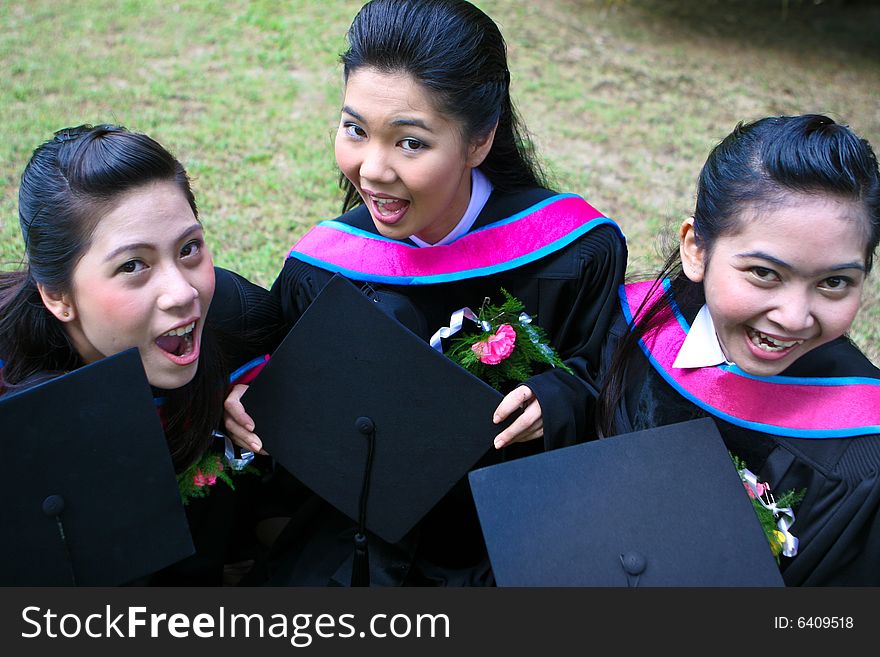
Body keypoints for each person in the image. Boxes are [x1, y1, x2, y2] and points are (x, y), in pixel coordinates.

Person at [225, 0, 627, 586]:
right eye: (355, 130)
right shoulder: (327, 265)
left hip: (505, 542)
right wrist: (244, 396)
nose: (372, 169)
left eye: (410, 143)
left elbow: (610, 380)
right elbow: (282, 384)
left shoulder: (573, 251)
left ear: (480, 139)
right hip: (355, 541)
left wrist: (559, 400)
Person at [596, 114, 880, 586]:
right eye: (765, 273)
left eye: (834, 282)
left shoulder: (863, 452)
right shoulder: (634, 324)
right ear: (696, 249)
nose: (794, 316)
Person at [0, 124, 284, 585]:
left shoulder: (237, 320)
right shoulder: (13, 391)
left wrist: (266, 392)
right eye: (133, 265)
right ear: (58, 296)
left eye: (189, 248)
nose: (182, 292)